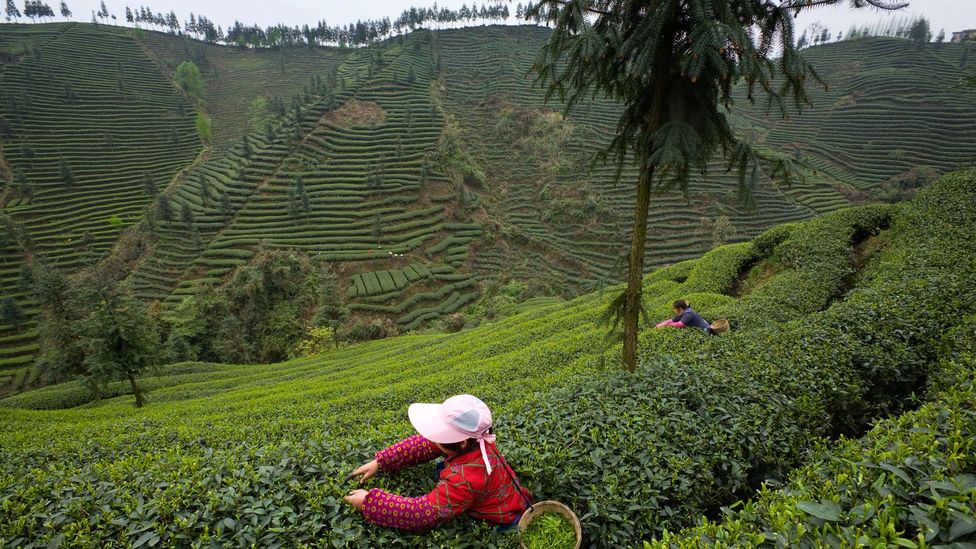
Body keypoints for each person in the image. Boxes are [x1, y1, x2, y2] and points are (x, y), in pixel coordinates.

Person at [344, 394, 532, 531]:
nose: (434, 438)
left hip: (501, 520)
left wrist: (369, 503)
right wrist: (381, 461)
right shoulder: (478, 439)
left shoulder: (463, 480)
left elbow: (421, 514)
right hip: (502, 495)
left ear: (461, 442)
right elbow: (427, 444)